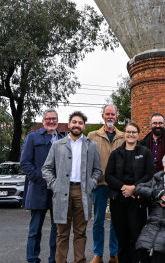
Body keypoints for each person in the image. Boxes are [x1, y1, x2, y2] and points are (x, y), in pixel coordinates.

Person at [42, 111, 102, 263]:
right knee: (62, 234)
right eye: (74, 122)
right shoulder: (57, 145)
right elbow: (46, 169)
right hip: (62, 191)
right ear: (69, 124)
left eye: (80, 123)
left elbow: (98, 170)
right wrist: (55, 185)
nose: (77, 125)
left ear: (84, 126)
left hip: (82, 192)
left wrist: (91, 185)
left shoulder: (91, 146)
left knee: (80, 232)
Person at [104, 122, 154, 263]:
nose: (131, 135)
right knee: (121, 236)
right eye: (128, 132)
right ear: (124, 134)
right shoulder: (115, 153)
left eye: (134, 132)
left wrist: (134, 187)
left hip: (137, 199)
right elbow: (108, 176)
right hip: (118, 199)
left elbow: (150, 174)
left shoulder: (145, 153)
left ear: (138, 135)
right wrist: (123, 187)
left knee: (135, 235)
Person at [20, 108, 63, 263]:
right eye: (48, 119)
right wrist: (40, 178)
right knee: (35, 229)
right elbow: (25, 163)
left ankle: (54, 259)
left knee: (56, 230)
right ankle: (32, 259)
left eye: (54, 119)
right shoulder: (33, 137)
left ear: (57, 120)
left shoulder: (63, 138)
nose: (51, 121)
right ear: (43, 120)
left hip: (57, 191)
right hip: (38, 189)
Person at [88, 105, 124, 263]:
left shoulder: (123, 136)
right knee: (98, 220)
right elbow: (87, 160)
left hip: (117, 185)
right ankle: (98, 253)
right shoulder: (93, 135)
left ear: (117, 117)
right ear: (103, 116)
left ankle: (114, 254)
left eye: (113, 114)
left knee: (116, 221)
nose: (110, 116)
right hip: (99, 183)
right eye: (107, 114)